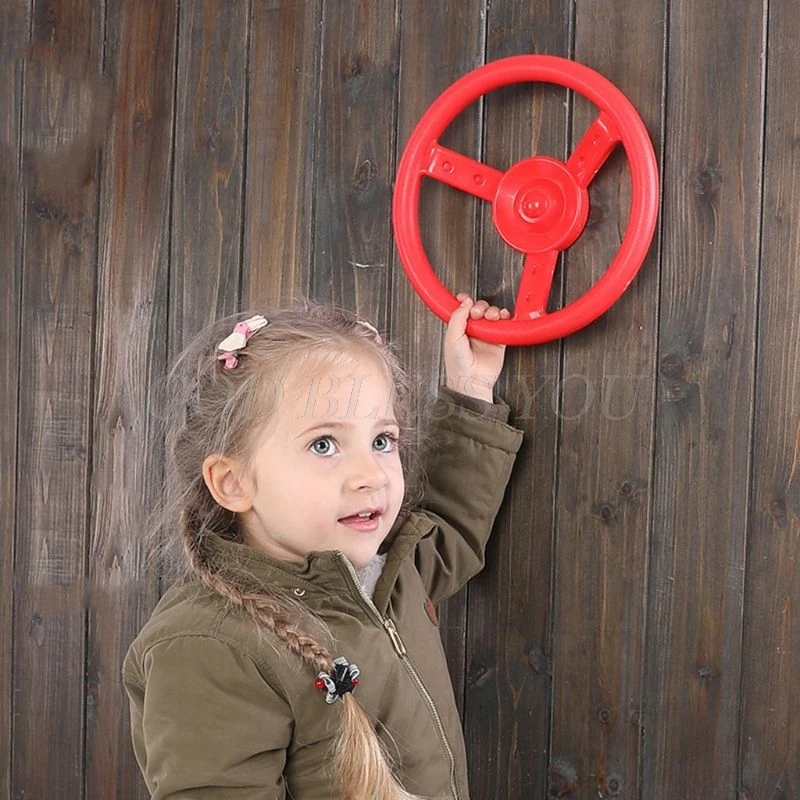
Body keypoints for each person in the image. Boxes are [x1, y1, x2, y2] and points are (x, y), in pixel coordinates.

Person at [122, 294, 524, 800]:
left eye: (382, 441)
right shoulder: (209, 647)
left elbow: (450, 524)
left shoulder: (387, 573)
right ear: (233, 482)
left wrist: (471, 389)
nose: (371, 474)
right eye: (324, 445)